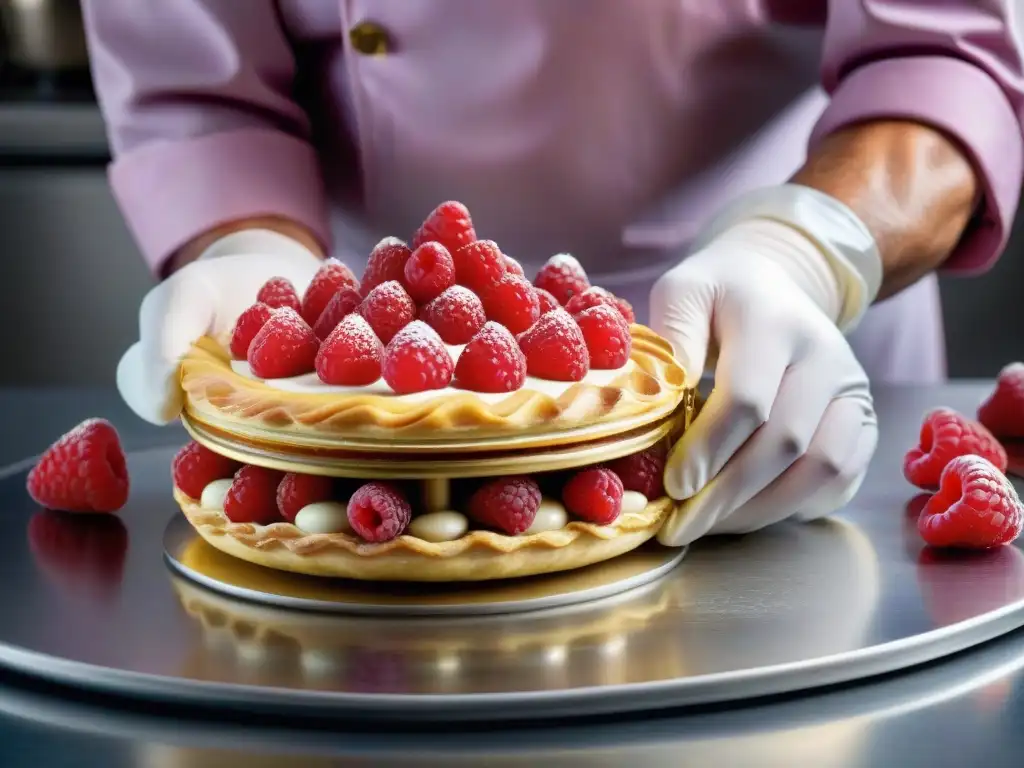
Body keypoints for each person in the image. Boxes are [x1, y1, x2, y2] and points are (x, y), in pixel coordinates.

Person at [81, 2, 1024, 547]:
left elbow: (942, 53)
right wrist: (255, 258)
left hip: (766, 360)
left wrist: (802, 252)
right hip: (364, 365)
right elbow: (196, 79)